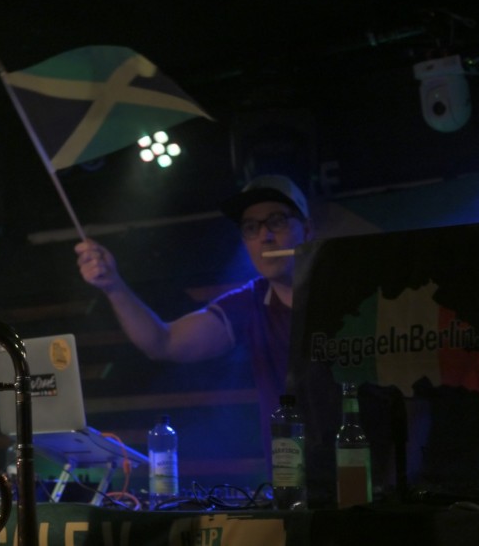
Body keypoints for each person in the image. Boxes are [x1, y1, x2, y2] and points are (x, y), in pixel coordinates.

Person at [74, 174, 313, 456]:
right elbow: (162, 342)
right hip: (292, 472)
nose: (265, 236)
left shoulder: (343, 294)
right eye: (251, 227)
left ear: (307, 230)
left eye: (277, 221)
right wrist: (113, 285)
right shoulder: (251, 301)